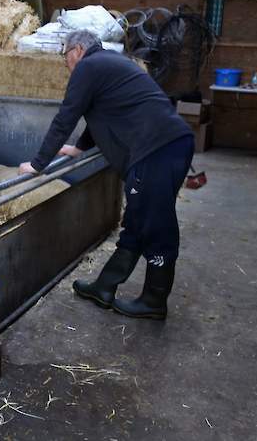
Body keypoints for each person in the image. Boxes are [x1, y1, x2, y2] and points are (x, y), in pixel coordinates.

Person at [19, 30, 194, 320]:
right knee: (137, 221)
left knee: (156, 226)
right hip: (168, 145)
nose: (66, 64)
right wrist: (79, 148)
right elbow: (102, 114)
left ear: (76, 50)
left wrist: (38, 164)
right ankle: (104, 287)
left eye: (65, 57)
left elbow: (66, 116)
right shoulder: (109, 64)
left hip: (156, 149)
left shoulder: (88, 66)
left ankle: (154, 300)